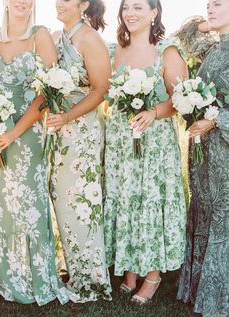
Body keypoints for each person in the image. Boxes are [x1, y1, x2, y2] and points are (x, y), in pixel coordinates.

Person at [103, 0, 188, 305]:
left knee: (150, 203)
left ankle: (152, 275)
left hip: (154, 145)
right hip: (120, 143)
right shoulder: (113, 51)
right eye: (126, 7)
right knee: (125, 201)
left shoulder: (167, 50)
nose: (131, 13)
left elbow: (183, 99)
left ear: (154, 13)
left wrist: (153, 112)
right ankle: (128, 271)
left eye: (139, 7)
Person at [0, 0, 70, 305]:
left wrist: (14, 131)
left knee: (27, 201)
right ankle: (3, 271)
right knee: (0, 205)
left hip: (27, 132)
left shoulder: (40, 35)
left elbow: (47, 91)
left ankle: (32, 274)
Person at [46, 0, 112, 303]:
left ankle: (91, 280)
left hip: (81, 131)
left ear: (83, 4)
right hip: (58, 132)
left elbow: (101, 89)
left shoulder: (90, 38)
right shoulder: (59, 36)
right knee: (63, 201)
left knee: (83, 202)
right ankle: (75, 270)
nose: (59, 3)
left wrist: (68, 117)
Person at [177, 1, 229, 316]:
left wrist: (213, 120)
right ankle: (198, 288)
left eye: (218, 4)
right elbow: (181, 37)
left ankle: (219, 296)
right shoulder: (211, 49)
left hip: (224, 145)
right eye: (208, 3)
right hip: (203, 150)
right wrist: (205, 24)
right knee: (204, 209)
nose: (210, 7)